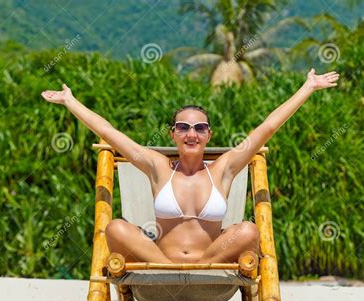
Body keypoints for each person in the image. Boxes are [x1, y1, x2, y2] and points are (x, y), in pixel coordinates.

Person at [41, 68, 339, 264]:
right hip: (161, 261)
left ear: (209, 134)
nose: (191, 134)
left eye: (199, 128)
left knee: (248, 230)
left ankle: (199, 269)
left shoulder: (224, 168)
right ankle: (170, 269)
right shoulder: (158, 166)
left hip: (211, 261)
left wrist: (308, 87)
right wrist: (71, 102)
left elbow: (267, 127)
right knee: (116, 228)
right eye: (183, 127)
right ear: (172, 134)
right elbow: (110, 134)